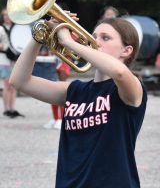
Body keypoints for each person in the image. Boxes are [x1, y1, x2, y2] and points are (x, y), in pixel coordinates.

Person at [9, 14, 147, 187]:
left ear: (126, 51)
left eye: (105, 38)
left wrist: (69, 42)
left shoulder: (131, 88)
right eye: (94, 36)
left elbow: (119, 72)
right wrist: (39, 35)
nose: (95, 41)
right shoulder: (74, 91)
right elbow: (20, 81)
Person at [0, 8, 24, 118]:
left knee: (13, 85)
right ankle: (6, 109)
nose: (6, 17)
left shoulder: (16, 29)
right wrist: (4, 47)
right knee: (6, 85)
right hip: (4, 59)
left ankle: (12, 108)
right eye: (5, 16)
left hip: (15, 59)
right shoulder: (0, 29)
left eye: (8, 15)